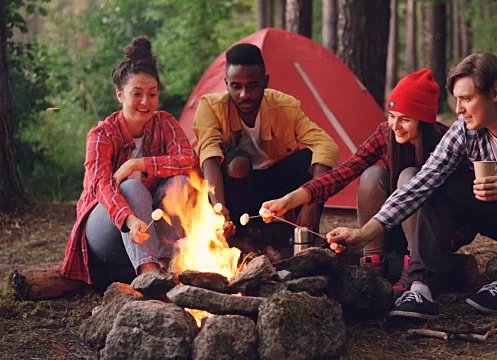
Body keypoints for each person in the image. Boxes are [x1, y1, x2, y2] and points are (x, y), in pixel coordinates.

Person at [325, 52, 497, 320]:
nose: (458, 109)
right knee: (438, 184)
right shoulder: (466, 128)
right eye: (457, 100)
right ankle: (422, 287)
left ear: (495, 92)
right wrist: (365, 233)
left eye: (466, 99)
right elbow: (422, 182)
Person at [262, 68, 474, 294]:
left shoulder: (445, 142)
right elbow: (346, 171)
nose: (395, 125)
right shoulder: (386, 134)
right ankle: (374, 260)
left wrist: (446, 244)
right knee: (372, 175)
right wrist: (290, 199)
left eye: (405, 119)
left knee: (409, 176)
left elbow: (466, 207)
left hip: (435, 234)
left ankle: (415, 267)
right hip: (390, 226)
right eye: (392, 116)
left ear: (424, 121)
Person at [60, 36, 199, 290]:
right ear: (119, 95)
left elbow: (188, 160)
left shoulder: (165, 123)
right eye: (137, 94)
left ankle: (174, 266)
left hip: (154, 231)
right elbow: (100, 186)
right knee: (132, 189)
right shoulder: (102, 134)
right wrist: (130, 219)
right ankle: (149, 275)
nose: (145, 102)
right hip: (111, 230)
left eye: (152, 94)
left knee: (181, 181)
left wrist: (139, 164)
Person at [192, 43, 339, 241]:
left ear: (265, 82)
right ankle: (237, 236)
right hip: (236, 189)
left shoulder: (285, 106)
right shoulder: (211, 107)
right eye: (236, 86)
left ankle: (304, 233)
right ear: (226, 83)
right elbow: (208, 155)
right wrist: (218, 207)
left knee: (313, 158)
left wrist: (311, 202)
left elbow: (326, 145)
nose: (244, 95)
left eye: (252, 85)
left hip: (276, 190)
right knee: (238, 162)